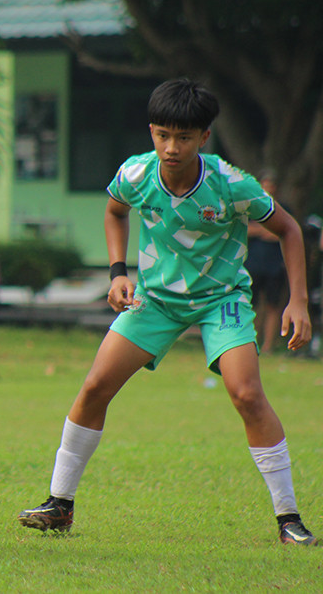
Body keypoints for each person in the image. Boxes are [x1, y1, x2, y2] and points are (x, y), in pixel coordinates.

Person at [17, 78, 317, 546]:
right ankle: (59, 505)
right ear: (152, 132)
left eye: (183, 137)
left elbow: (289, 230)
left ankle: (288, 519)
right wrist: (118, 271)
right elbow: (115, 211)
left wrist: (298, 301)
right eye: (162, 135)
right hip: (154, 301)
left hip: (222, 301)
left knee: (247, 395)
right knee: (95, 386)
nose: (171, 147)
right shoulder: (136, 175)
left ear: (204, 138)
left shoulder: (232, 184)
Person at [245, 172, 288, 356]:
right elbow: (245, 230)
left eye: (271, 187)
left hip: (274, 266)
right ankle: (250, 343)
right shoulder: (250, 208)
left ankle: (268, 346)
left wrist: (260, 230)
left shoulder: (283, 209)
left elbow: (281, 233)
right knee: (250, 306)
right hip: (252, 264)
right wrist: (265, 230)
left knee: (272, 305)